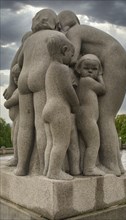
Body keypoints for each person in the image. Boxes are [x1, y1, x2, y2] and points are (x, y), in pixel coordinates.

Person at [58, 10, 126, 176]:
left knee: (105, 116)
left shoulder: (74, 31)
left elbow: (72, 58)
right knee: (106, 116)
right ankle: (115, 165)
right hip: (121, 64)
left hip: (115, 63)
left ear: (62, 25)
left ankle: (111, 165)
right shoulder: (85, 31)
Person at [14, 9, 60, 176]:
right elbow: (68, 56)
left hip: (24, 80)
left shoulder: (29, 40)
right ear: (55, 23)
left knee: (25, 125)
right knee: (41, 125)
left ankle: (21, 167)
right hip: (40, 77)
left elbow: (19, 62)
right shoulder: (56, 36)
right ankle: (41, 167)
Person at [42, 34, 79, 180]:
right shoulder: (62, 68)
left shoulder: (50, 69)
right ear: (64, 50)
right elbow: (68, 91)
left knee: (51, 143)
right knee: (61, 143)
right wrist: (76, 104)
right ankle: (54, 172)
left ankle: (47, 170)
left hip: (48, 108)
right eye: (71, 54)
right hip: (59, 109)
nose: (72, 59)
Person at [75, 54, 105, 176]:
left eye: (94, 69)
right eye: (86, 68)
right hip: (88, 118)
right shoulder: (87, 81)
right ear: (79, 69)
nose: (90, 71)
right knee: (94, 143)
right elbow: (103, 89)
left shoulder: (80, 81)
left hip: (83, 117)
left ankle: (83, 166)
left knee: (85, 143)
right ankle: (89, 168)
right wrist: (100, 76)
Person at [4, 64, 21, 166]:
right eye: (14, 77)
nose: (15, 80)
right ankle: (16, 156)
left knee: (16, 138)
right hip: (14, 120)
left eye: (17, 77)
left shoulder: (20, 91)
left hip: (20, 119)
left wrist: (6, 103)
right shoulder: (16, 90)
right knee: (13, 138)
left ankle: (17, 158)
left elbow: (13, 101)